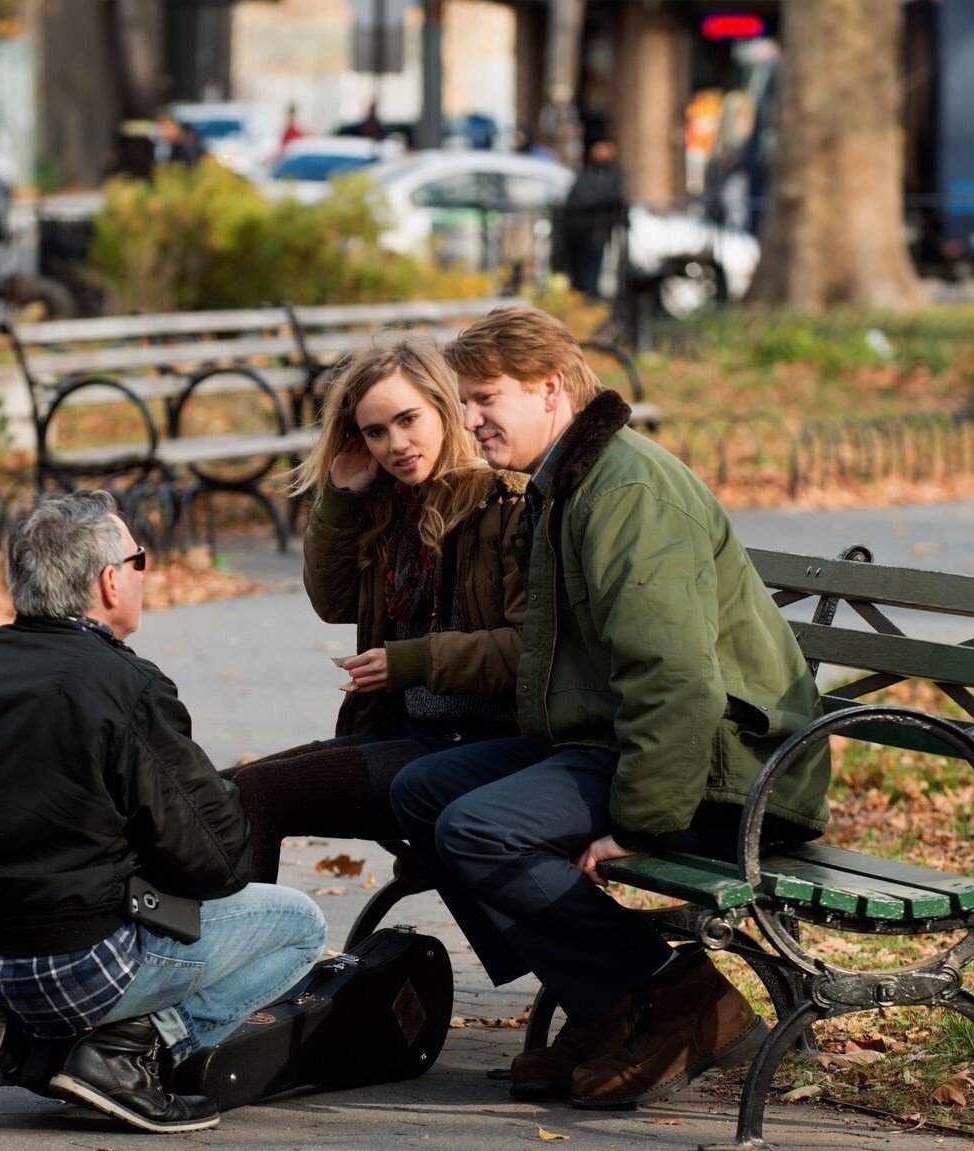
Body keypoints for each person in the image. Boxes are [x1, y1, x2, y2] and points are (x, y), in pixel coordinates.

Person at [390, 308, 832, 1110]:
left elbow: (676, 681)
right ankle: (609, 1005)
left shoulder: (625, 493)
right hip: (626, 742)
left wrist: (639, 823)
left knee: (479, 827)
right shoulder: (566, 482)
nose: (470, 419)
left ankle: (675, 995)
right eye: (465, 400)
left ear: (550, 389)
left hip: (728, 773)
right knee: (421, 790)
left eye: (486, 397)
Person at [0, 491, 327, 1134]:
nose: (143, 572)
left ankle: (22, 1039)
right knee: (300, 923)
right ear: (109, 581)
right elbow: (216, 862)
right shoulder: (123, 685)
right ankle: (118, 1054)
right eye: (139, 560)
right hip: (76, 959)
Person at [225, 339, 527, 882]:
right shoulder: (393, 506)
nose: (396, 444)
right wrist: (341, 498)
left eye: (408, 420)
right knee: (220, 792)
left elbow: (530, 649)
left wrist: (414, 661)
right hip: (409, 736)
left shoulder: (503, 503)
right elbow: (333, 601)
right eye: (376, 431)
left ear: (446, 407)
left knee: (255, 794)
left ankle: (252, 957)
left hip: (485, 744)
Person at [561, 133, 627, 299]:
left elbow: (613, 197)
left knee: (601, 273)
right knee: (581, 273)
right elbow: (577, 200)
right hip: (581, 231)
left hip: (602, 231)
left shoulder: (614, 174)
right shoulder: (585, 173)